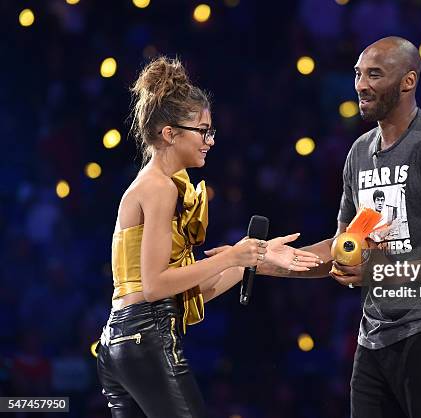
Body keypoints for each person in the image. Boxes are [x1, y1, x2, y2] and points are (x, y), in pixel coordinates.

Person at [258, 37, 421, 418]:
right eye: (358, 74)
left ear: (408, 81)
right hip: (374, 338)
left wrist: (393, 273)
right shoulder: (358, 153)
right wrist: (257, 260)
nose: (360, 84)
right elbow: (345, 247)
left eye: (375, 74)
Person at [95, 56, 321, 418]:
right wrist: (232, 255)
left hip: (120, 343)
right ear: (170, 133)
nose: (210, 140)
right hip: (146, 338)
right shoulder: (159, 188)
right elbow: (154, 287)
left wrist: (255, 256)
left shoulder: (157, 185)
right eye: (203, 130)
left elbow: (189, 289)